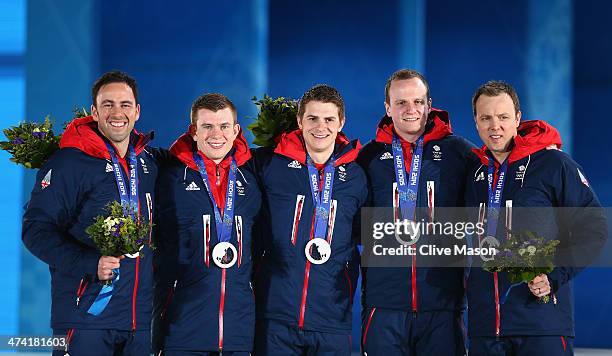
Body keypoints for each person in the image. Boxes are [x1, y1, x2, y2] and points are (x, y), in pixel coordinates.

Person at [465, 80, 607, 355]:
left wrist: (555, 275)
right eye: (486, 118)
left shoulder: (553, 164)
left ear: (518, 118)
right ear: (476, 121)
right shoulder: (473, 173)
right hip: (484, 329)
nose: (495, 126)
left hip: (541, 325)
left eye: (503, 117)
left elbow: (595, 228)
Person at [22, 71, 158, 355]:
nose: (117, 112)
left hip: (139, 321)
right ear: (94, 112)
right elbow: (35, 229)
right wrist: (89, 262)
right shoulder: (69, 162)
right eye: (107, 104)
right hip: (85, 318)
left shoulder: (147, 163)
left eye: (125, 104)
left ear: (137, 111)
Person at [357, 69, 475, 355]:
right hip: (384, 305)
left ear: (429, 104)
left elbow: (499, 187)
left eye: (418, 102)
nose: (411, 110)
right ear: (387, 107)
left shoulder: (459, 153)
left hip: (442, 303)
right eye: (401, 103)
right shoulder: (368, 158)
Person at [251, 84, 367, 355]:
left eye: (329, 119)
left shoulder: (357, 176)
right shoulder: (269, 164)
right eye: (312, 118)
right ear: (299, 121)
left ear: (341, 123)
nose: (320, 127)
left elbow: (365, 236)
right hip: (275, 316)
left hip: (332, 318)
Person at [153, 93, 261, 355]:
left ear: (236, 130)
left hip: (239, 331)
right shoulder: (170, 177)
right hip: (182, 328)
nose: (216, 134)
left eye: (224, 126)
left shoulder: (252, 177)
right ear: (194, 131)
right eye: (207, 126)